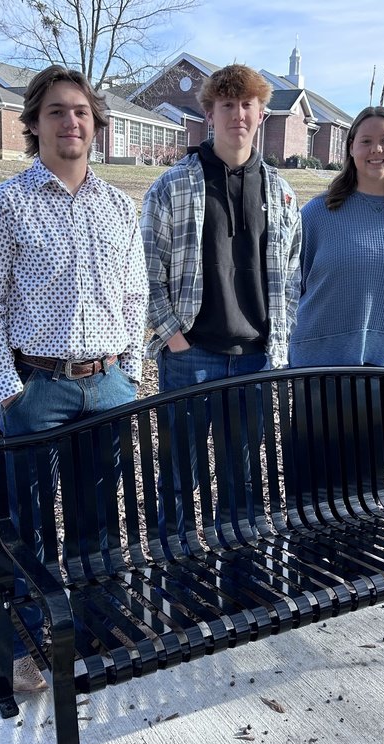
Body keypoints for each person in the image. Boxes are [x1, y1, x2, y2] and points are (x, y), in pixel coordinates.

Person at [0, 65, 148, 693]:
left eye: (82, 113)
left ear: (96, 125)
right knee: (29, 526)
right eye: (57, 112)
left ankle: (99, 631)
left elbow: (135, 296)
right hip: (36, 389)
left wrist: (132, 371)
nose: (72, 123)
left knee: (100, 521)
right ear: (33, 125)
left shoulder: (120, 207)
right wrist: (8, 387)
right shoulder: (1, 208)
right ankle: (26, 649)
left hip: (109, 385)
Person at [140, 63, 301, 550]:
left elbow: (293, 273)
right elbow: (146, 272)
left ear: (261, 113)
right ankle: (178, 575)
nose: (238, 114)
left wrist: (280, 334)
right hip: (192, 354)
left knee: (243, 477)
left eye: (247, 104)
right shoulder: (173, 186)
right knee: (178, 476)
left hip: (254, 356)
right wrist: (174, 336)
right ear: (209, 113)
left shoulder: (281, 192)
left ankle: (238, 577)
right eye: (227, 105)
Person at [288, 105, 384, 502]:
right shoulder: (318, 213)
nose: (377, 150)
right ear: (350, 148)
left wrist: (383, 322)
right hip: (321, 363)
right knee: (312, 486)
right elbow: (296, 280)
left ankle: (356, 564)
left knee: (364, 486)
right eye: (367, 141)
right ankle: (309, 564)